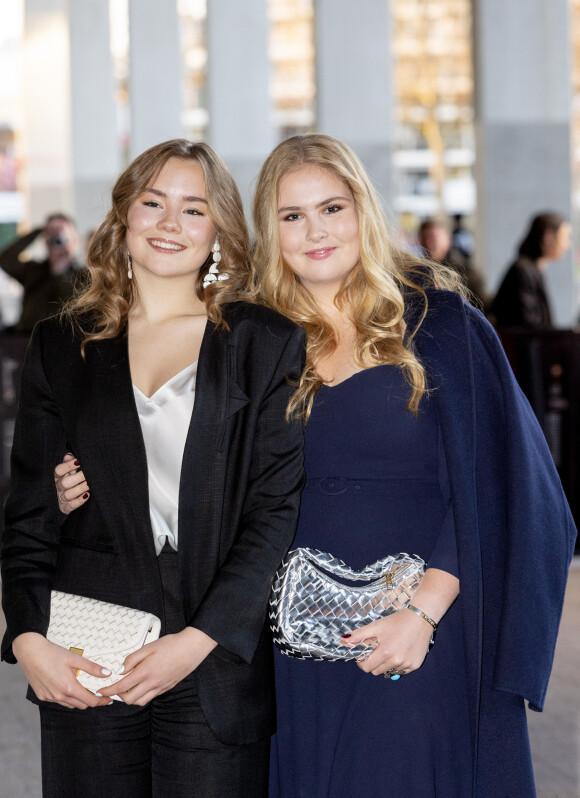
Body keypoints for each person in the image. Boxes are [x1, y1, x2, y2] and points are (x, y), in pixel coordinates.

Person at [249, 135, 575, 797]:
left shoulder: (440, 323)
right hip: (297, 644)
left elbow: (502, 481)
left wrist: (423, 613)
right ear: (270, 232)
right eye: (292, 215)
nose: (316, 230)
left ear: (362, 210)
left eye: (332, 207)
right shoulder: (257, 340)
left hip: (423, 629)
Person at [0, 139, 305, 798]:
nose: (170, 224)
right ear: (124, 218)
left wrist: (197, 641)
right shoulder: (62, 342)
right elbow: (26, 511)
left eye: (194, 210)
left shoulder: (263, 340)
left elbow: (273, 513)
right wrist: (26, 636)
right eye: (153, 203)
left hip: (213, 650)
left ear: (219, 228)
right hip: (88, 643)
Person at [0, 213, 84, 333]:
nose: (57, 240)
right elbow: (6, 260)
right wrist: (39, 231)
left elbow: (71, 301)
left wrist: (60, 272)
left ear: (75, 240)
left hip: (63, 339)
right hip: (27, 338)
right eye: (53, 236)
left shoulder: (84, 275)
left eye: (62, 235)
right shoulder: (34, 270)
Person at [491, 212, 571, 329]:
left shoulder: (530, 269)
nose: (567, 245)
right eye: (565, 237)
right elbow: (529, 325)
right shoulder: (523, 271)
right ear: (548, 237)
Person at [418, 217, 488, 308]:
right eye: (424, 238)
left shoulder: (466, 273)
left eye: (433, 238)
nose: (428, 243)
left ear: (448, 240)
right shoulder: (418, 273)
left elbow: (482, 309)